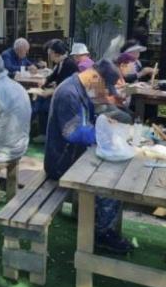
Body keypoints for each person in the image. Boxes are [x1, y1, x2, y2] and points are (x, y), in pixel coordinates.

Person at [44, 59, 134, 254]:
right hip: (62, 162)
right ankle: (101, 234)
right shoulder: (68, 93)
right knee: (110, 184)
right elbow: (72, 133)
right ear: (95, 77)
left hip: (76, 155)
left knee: (115, 171)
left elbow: (89, 120)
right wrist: (104, 133)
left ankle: (101, 225)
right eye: (104, 87)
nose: (104, 92)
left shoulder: (80, 88)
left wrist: (105, 122)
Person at [31, 39, 79, 142]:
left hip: (68, 97)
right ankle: (39, 129)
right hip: (61, 93)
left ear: (55, 53)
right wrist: (44, 83)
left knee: (44, 107)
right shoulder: (61, 63)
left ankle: (46, 134)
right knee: (39, 101)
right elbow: (52, 77)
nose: (49, 57)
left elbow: (65, 86)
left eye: (50, 54)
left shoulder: (69, 64)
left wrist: (50, 91)